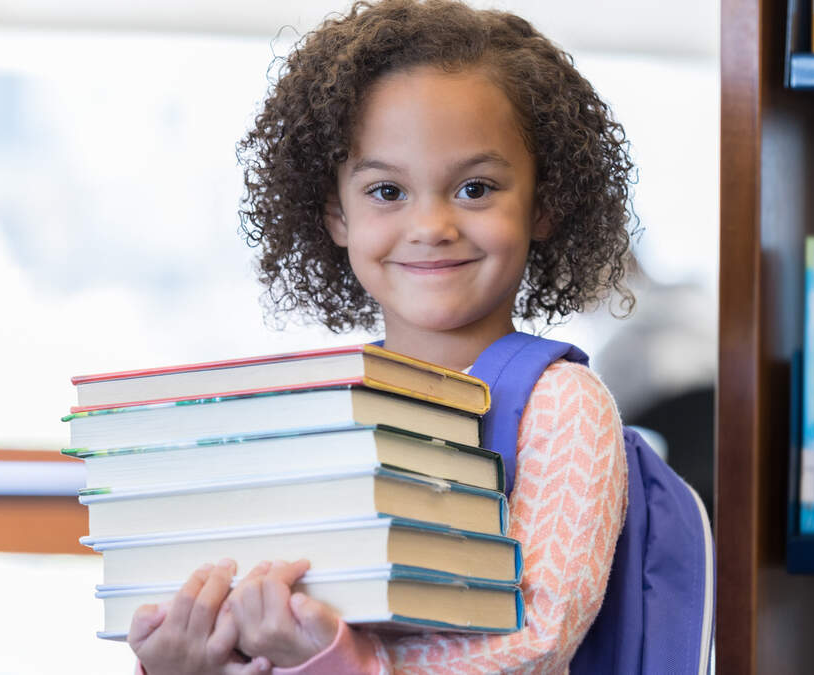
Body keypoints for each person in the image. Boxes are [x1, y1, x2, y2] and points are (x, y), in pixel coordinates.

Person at [126, 0, 639, 672]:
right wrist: (194, 659)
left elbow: (537, 642)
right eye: (387, 192)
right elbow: (273, 618)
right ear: (336, 213)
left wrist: (346, 661)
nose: (431, 224)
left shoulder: (565, 407)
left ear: (544, 203)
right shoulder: (320, 406)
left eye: (476, 187)